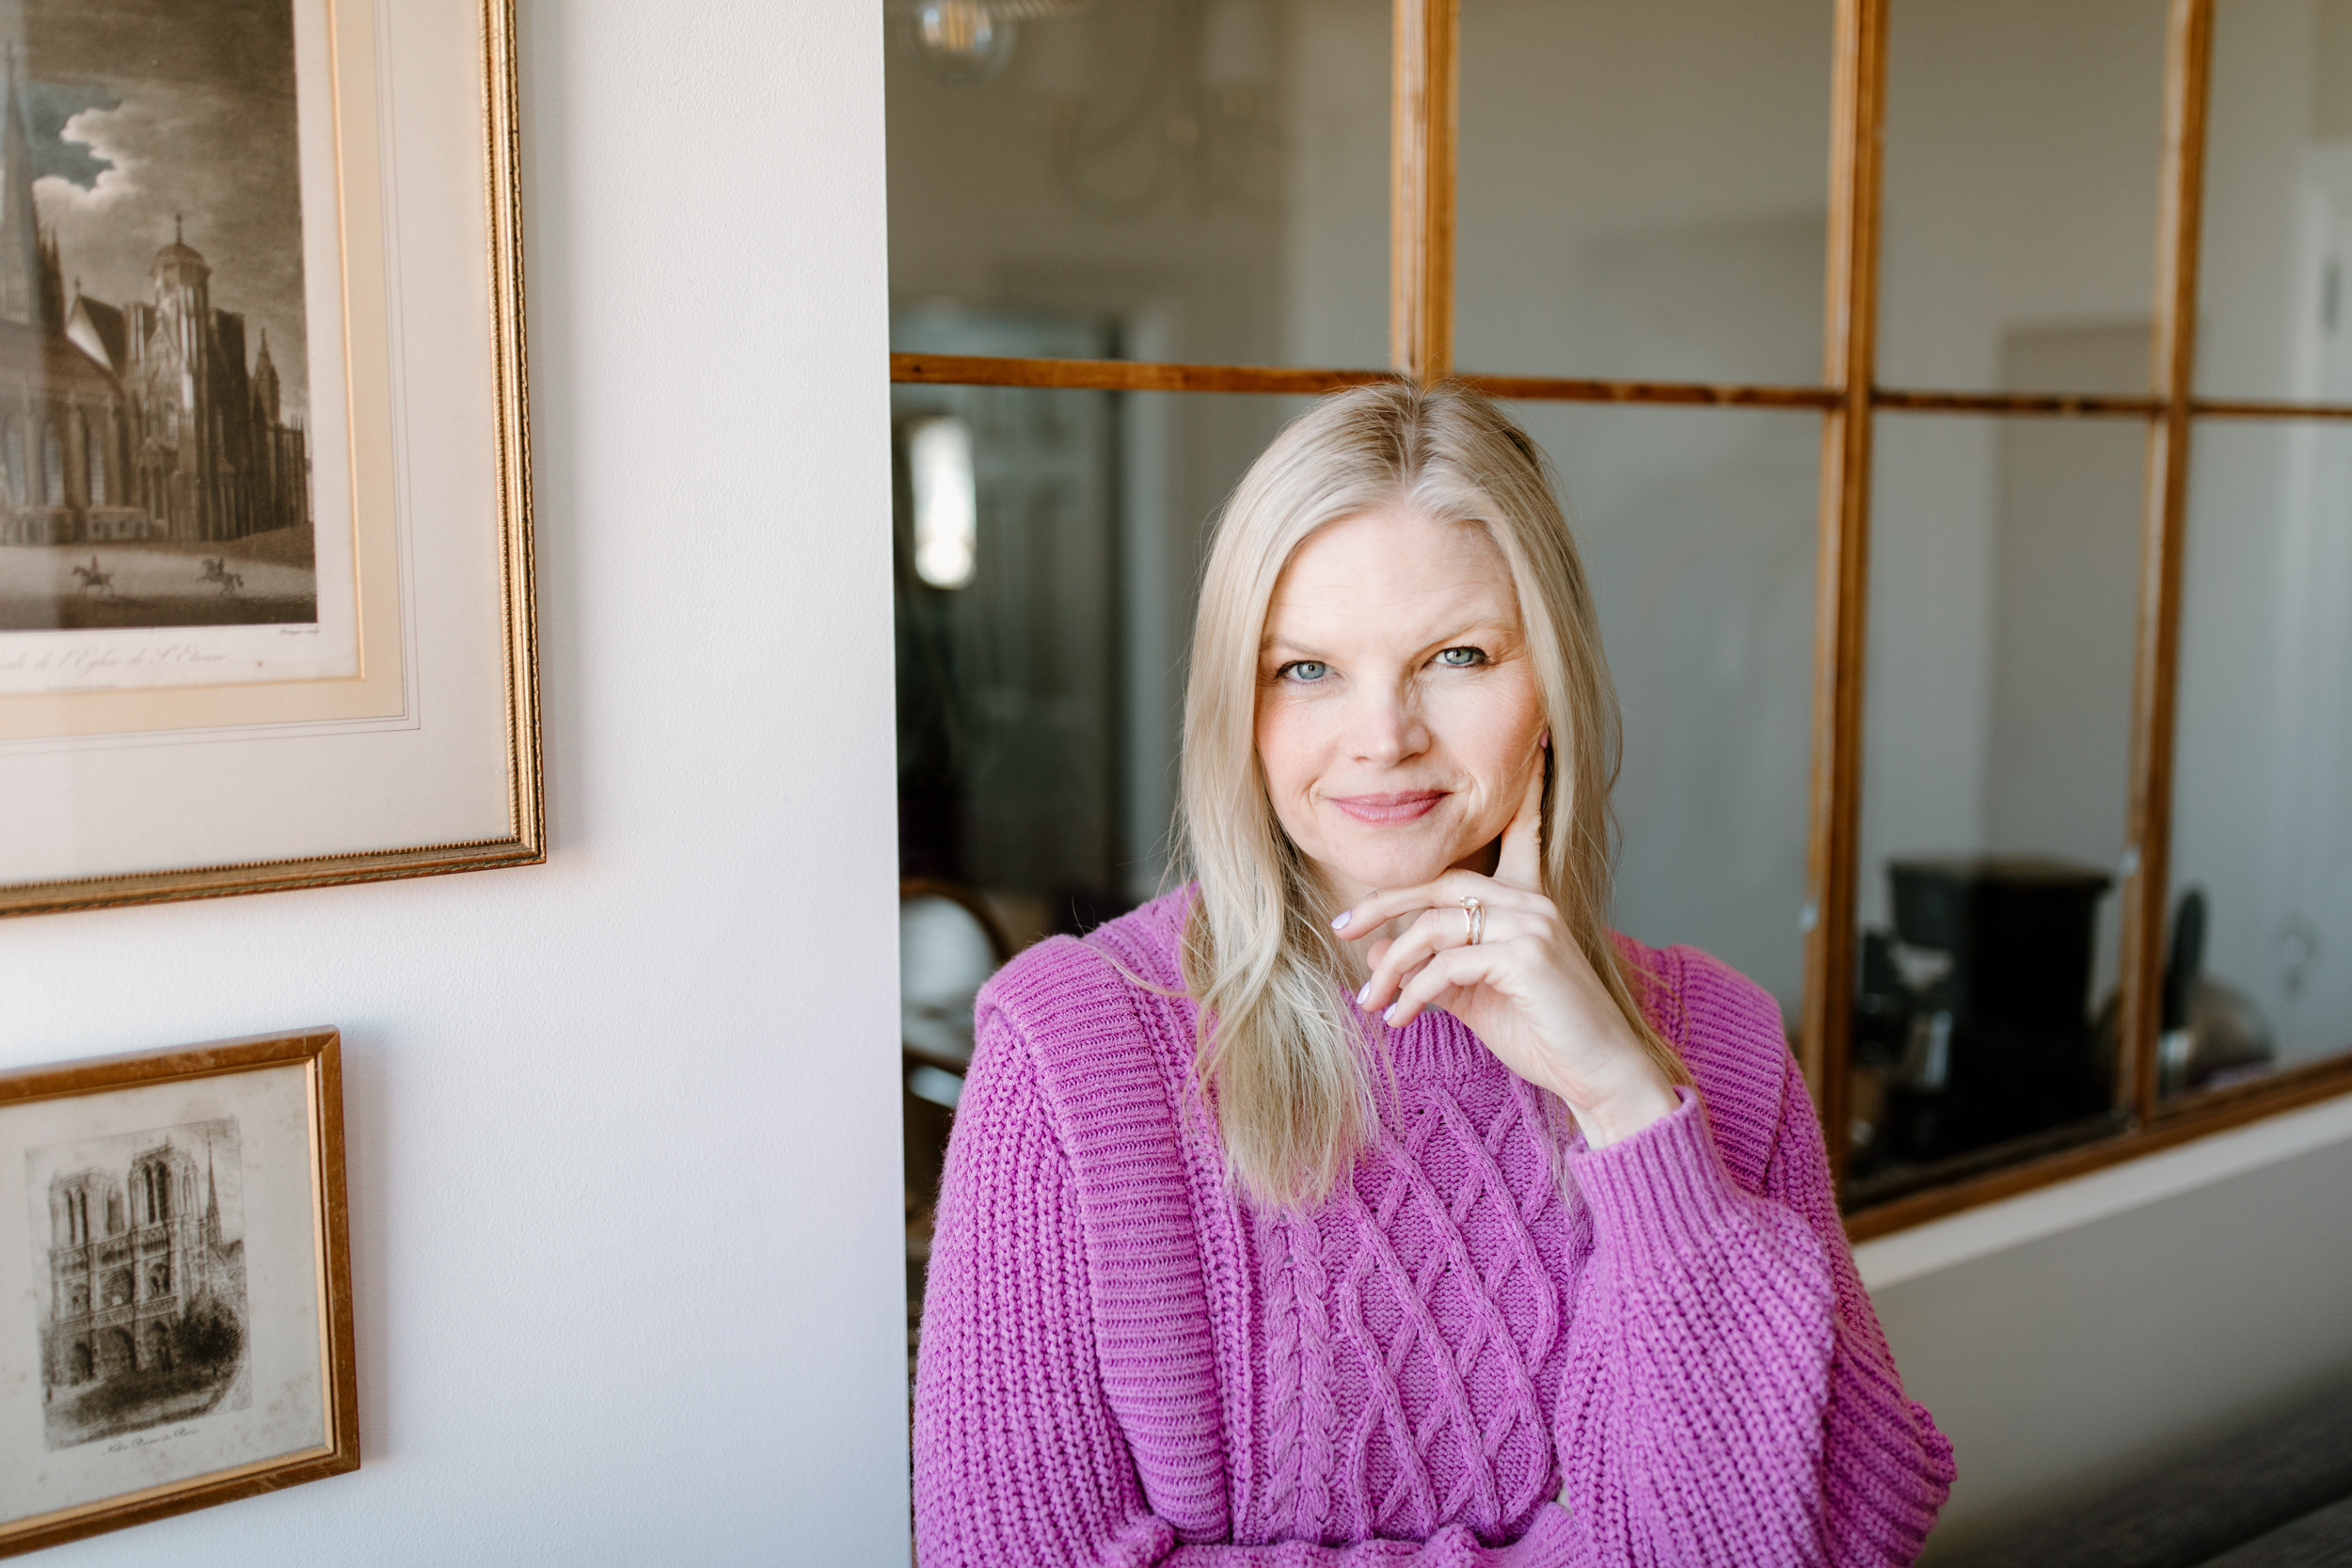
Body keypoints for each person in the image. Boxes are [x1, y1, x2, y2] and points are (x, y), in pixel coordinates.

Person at [914, 380, 1955, 1565]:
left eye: (1456, 655)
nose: (1384, 734)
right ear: (1233, 708)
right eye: (1305, 668)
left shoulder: (1714, 1039)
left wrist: (1626, 1107)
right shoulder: (1073, 1053)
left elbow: (1852, 1525)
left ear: (1550, 687)